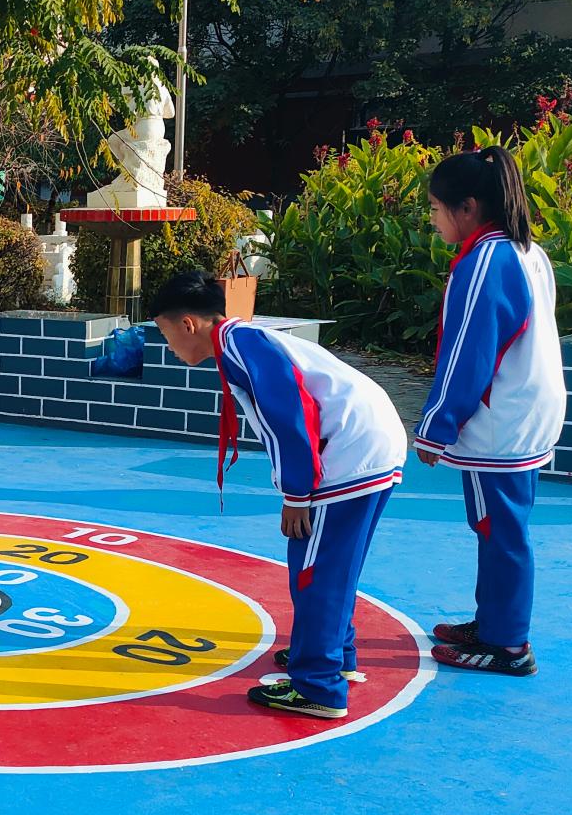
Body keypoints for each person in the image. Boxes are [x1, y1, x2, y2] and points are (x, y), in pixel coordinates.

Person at [148, 268, 407, 719]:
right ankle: (329, 651)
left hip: (346, 455)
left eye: (167, 336)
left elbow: (291, 416)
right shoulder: (243, 339)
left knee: (314, 572)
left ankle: (318, 686)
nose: (170, 348)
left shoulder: (241, 347)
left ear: (188, 324)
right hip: (369, 444)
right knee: (332, 565)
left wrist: (297, 495)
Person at [413, 146, 567, 676]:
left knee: (498, 529)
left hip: (501, 419)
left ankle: (507, 643)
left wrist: (436, 426)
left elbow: (469, 354)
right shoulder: (528, 251)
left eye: (436, 209)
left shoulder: (483, 262)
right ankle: (496, 620)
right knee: (500, 526)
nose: (432, 220)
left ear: (468, 207)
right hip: (528, 408)